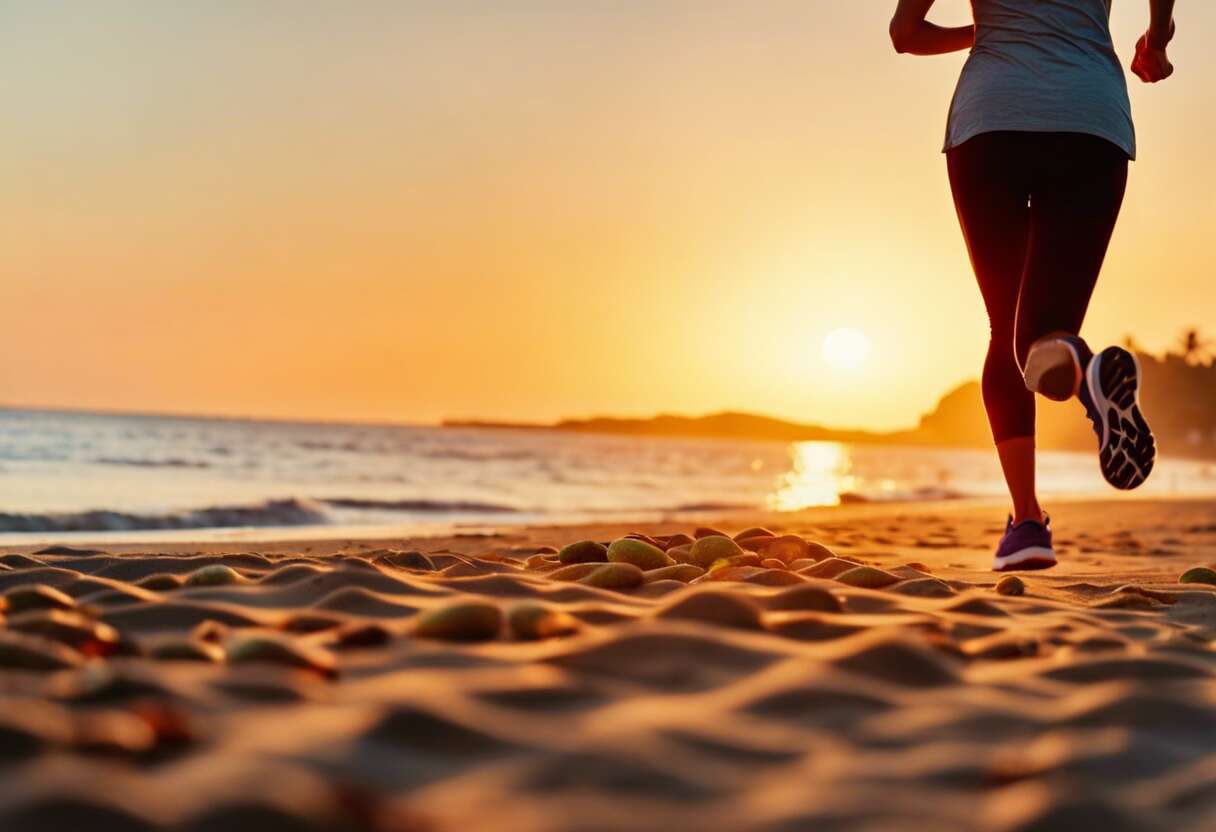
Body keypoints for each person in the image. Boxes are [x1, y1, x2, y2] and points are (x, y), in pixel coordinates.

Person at [889, 0, 1176, 571]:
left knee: (1011, 330)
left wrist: (989, 29)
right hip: (1090, 121)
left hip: (991, 121)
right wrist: (1157, 40)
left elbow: (906, 34)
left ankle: (1026, 522)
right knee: (1043, 331)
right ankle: (1088, 380)